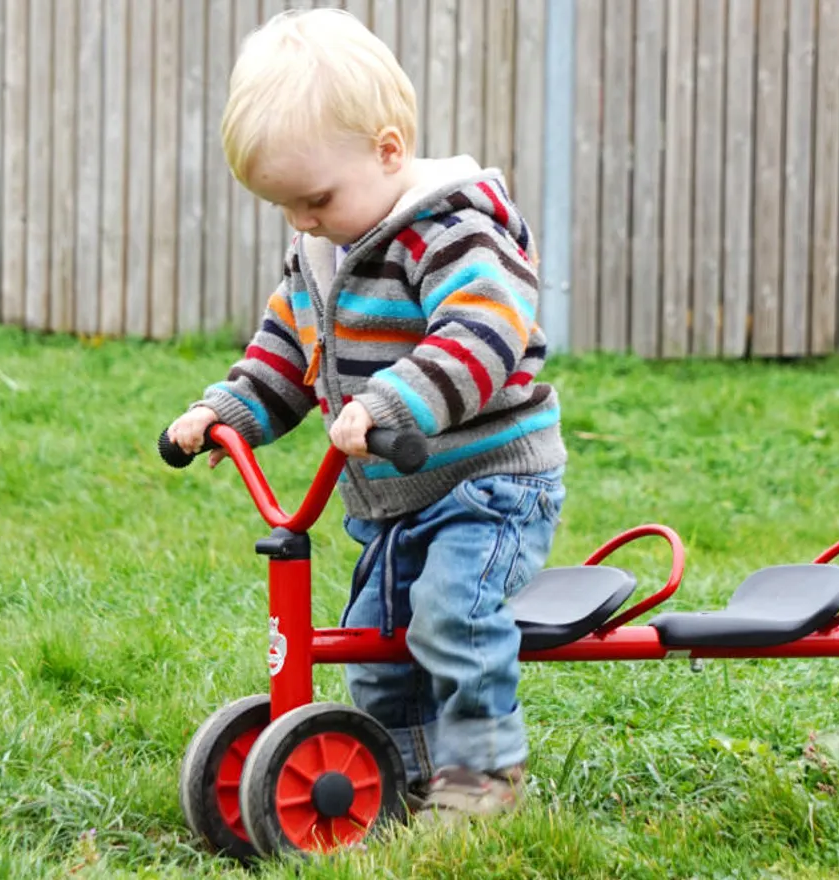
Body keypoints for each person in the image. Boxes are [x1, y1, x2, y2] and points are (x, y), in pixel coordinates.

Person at [165, 8, 566, 820]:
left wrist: (394, 400)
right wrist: (228, 412)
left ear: (388, 151)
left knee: (453, 617)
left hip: (487, 483)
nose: (302, 222)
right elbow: (286, 349)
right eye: (285, 207)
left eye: (313, 199)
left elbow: (484, 334)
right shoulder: (321, 250)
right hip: (396, 496)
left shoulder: (455, 231)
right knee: (377, 645)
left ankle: (484, 775)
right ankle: (411, 777)